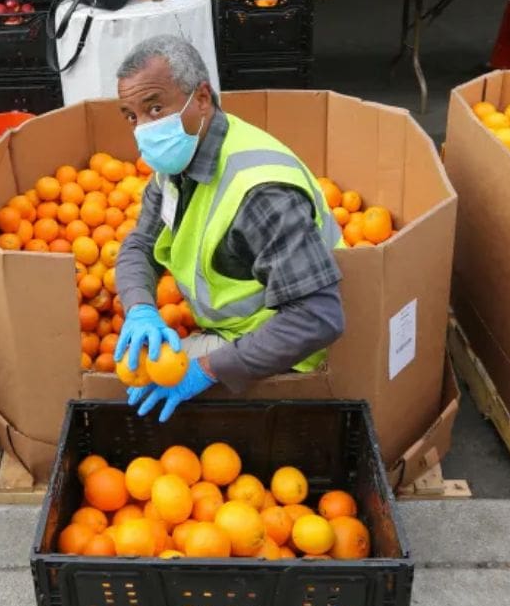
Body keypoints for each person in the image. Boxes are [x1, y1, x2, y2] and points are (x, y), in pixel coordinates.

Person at [112, 35, 346, 422]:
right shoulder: (178, 159)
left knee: (147, 404)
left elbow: (318, 317)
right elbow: (140, 243)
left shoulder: (261, 192)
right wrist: (140, 309)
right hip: (229, 330)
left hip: (285, 348)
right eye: (132, 116)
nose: (144, 130)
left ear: (202, 98)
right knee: (139, 380)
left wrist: (207, 370)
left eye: (155, 108)